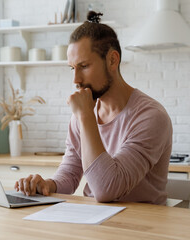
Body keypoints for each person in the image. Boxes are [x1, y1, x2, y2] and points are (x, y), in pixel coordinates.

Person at [14, 11, 173, 205]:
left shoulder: (150, 116)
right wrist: (47, 184)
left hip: (143, 228)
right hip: (95, 222)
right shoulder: (84, 114)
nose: (76, 80)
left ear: (112, 60)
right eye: (73, 68)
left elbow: (108, 190)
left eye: (84, 66)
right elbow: (71, 173)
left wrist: (85, 115)